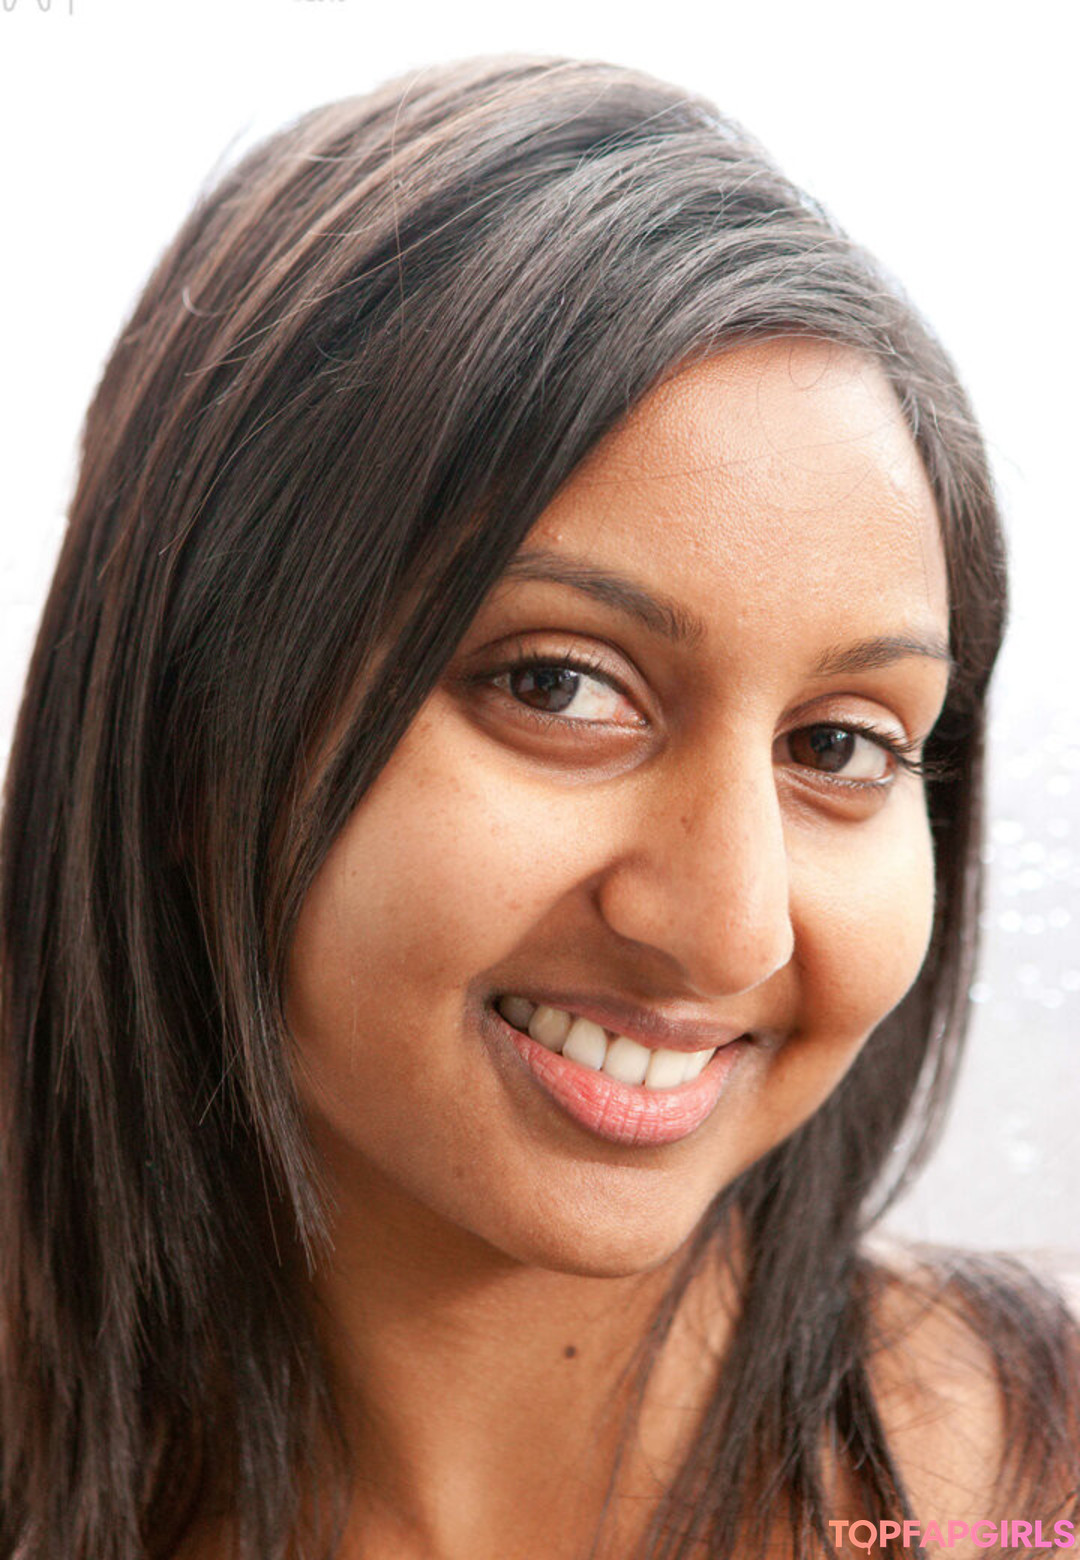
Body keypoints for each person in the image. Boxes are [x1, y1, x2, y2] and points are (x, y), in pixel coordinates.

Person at [0, 54, 1077, 1560]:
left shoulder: (1033, 1504)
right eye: (561, 686)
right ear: (191, 715)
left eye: (839, 745)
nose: (732, 928)